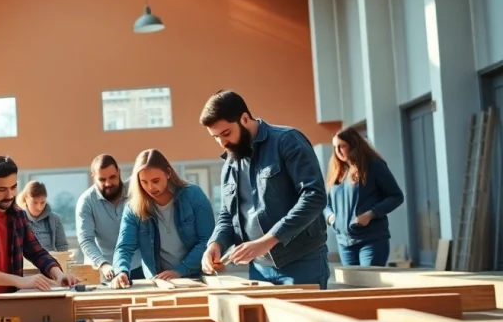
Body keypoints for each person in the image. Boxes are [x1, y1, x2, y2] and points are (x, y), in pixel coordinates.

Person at [199, 90, 330, 288]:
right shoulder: (230, 164)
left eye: (226, 133)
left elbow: (314, 197)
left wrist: (268, 240)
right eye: (215, 137)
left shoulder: (287, 141)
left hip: (302, 261)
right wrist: (215, 244)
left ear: (244, 118)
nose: (222, 142)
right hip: (258, 269)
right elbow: (228, 214)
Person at [0, 156, 81, 303]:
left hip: (9, 302)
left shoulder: (18, 215)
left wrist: (59, 275)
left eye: (13, 187)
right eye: (1, 189)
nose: (10, 195)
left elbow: (36, 251)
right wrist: (20, 281)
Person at [111, 150, 215, 288]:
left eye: (155, 181)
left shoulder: (193, 195)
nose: (150, 187)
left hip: (197, 278)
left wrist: (179, 270)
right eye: (144, 182)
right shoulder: (133, 208)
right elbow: (124, 247)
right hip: (158, 281)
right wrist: (121, 271)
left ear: (168, 173)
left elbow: (207, 241)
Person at [324, 127, 404, 267]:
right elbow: (326, 204)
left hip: (371, 240)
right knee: (352, 288)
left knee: (369, 285)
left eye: (342, 146)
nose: (338, 151)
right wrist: (331, 218)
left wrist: (371, 214)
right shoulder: (338, 171)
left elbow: (396, 196)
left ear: (354, 145)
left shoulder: (374, 166)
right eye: (335, 147)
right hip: (344, 243)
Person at [76, 154, 143, 282]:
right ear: (93, 177)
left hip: (138, 264)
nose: (108, 183)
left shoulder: (135, 192)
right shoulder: (86, 202)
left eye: (112, 177)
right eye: (102, 179)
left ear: (119, 172)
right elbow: (86, 239)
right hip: (106, 270)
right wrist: (103, 264)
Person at [17, 181, 69, 253]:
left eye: (42, 202)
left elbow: (62, 247)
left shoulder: (55, 219)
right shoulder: (16, 220)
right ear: (26, 199)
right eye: (35, 202)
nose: (39, 207)